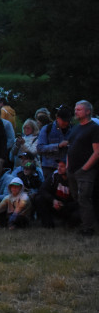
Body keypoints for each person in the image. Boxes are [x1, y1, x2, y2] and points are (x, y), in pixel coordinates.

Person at [66, 100, 99, 236]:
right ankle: (82, 222)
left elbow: (97, 151)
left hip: (85, 171)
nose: (76, 112)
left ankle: (88, 228)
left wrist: (85, 169)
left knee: (84, 197)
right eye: (75, 109)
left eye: (79, 109)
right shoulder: (75, 128)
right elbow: (70, 147)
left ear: (87, 111)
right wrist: (68, 165)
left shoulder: (94, 128)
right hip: (72, 170)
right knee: (77, 197)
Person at [38, 160, 77, 229]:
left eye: (62, 166)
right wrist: (53, 200)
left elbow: (78, 198)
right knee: (39, 198)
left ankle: (70, 223)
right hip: (55, 204)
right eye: (58, 166)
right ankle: (48, 225)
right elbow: (42, 189)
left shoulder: (74, 178)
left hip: (68, 206)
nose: (58, 168)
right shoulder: (54, 175)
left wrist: (64, 204)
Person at [36, 106, 72, 182]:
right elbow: (40, 148)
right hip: (49, 167)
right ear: (57, 118)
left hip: (66, 167)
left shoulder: (72, 129)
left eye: (68, 121)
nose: (66, 123)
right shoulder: (47, 129)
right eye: (64, 121)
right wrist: (58, 146)